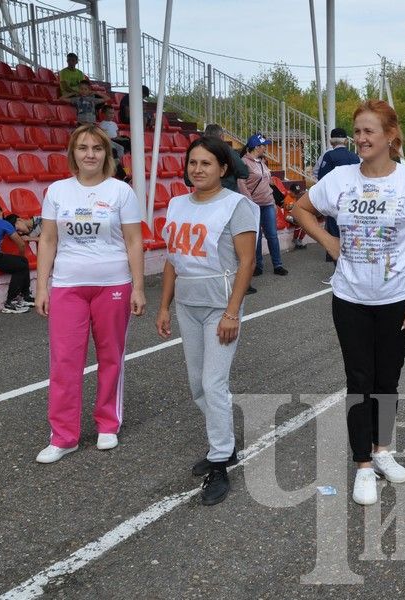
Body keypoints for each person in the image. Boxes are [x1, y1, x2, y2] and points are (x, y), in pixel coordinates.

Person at [292, 99, 405, 506]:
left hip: (397, 298)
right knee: (359, 381)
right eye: (357, 132)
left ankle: (383, 450)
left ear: (391, 135)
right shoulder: (339, 178)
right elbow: (301, 208)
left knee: (387, 380)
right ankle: (363, 467)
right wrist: (329, 241)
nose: (361, 139)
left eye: (369, 131)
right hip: (350, 297)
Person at [33, 124, 146, 464]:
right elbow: (48, 240)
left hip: (113, 284)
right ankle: (63, 436)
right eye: (83, 148)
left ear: (106, 154)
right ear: (74, 154)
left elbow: (133, 241)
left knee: (111, 357)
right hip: (68, 285)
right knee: (65, 362)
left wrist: (138, 287)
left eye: (97, 148)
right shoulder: (57, 191)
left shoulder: (121, 193)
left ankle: (107, 425)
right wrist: (42, 285)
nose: (90, 154)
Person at [156, 135, 259, 506]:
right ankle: (225, 445)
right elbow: (173, 258)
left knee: (213, 382)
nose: (197, 169)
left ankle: (219, 461)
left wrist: (233, 312)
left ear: (224, 168)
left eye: (206, 163)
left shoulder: (237, 206)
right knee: (197, 385)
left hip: (221, 306)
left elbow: (246, 263)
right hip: (188, 303)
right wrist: (164, 305)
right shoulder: (176, 204)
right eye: (193, 163)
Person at [239, 133, 287, 277]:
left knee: (272, 235)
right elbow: (241, 184)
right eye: (263, 145)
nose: (265, 148)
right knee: (257, 237)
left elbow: (268, 183)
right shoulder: (244, 162)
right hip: (254, 205)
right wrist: (250, 202)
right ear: (256, 147)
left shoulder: (262, 162)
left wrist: (273, 201)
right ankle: (258, 266)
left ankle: (278, 265)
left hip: (267, 203)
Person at [314, 127, 361, 267]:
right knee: (352, 234)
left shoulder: (328, 156)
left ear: (330, 141)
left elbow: (322, 177)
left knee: (335, 234)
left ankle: (338, 268)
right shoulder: (355, 156)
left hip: (335, 201)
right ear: (346, 141)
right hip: (353, 201)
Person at [188, 124, 249, 192]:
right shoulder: (228, 151)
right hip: (227, 195)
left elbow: (188, 180)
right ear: (222, 137)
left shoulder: (196, 151)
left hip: (205, 197)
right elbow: (244, 173)